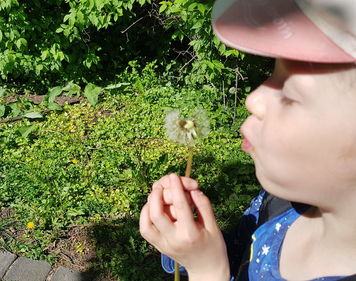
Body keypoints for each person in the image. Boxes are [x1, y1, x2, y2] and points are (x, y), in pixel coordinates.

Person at [139, 0, 356, 280]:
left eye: (291, 95)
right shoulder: (283, 203)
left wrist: (207, 271)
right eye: (273, 73)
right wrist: (195, 244)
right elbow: (240, 255)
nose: (253, 99)